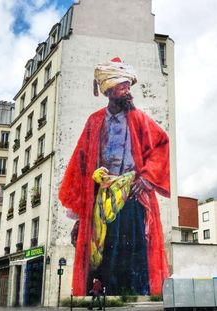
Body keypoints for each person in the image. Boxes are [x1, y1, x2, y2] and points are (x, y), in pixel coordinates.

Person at [59, 57, 170, 296]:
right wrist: (80, 211)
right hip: (101, 198)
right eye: (122, 85)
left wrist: (147, 178)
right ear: (109, 90)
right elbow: (80, 162)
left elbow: (161, 144)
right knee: (103, 252)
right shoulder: (94, 121)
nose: (127, 90)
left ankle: (135, 298)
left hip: (132, 196)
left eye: (128, 85)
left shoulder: (139, 118)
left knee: (136, 249)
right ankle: (104, 297)